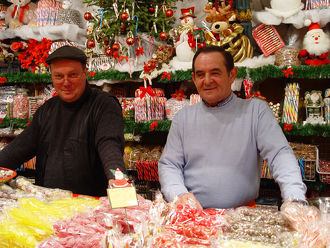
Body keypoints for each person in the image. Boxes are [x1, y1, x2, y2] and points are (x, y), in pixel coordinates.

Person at [158, 46, 307, 209]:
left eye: (215, 73)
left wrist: (295, 198)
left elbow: (279, 154)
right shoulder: (183, 118)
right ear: (193, 79)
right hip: (193, 218)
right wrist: (179, 195)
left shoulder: (255, 111)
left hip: (241, 220)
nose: (207, 81)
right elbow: (170, 164)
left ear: (232, 75)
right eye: (200, 74)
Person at [0, 45, 125, 196]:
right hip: (48, 208)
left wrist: (119, 183)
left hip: (89, 209)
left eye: (73, 75)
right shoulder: (46, 110)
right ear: (52, 76)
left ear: (85, 73)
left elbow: (109, 145)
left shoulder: (104, 105)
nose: (66, 82)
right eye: (59, 76)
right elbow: (16, 151)